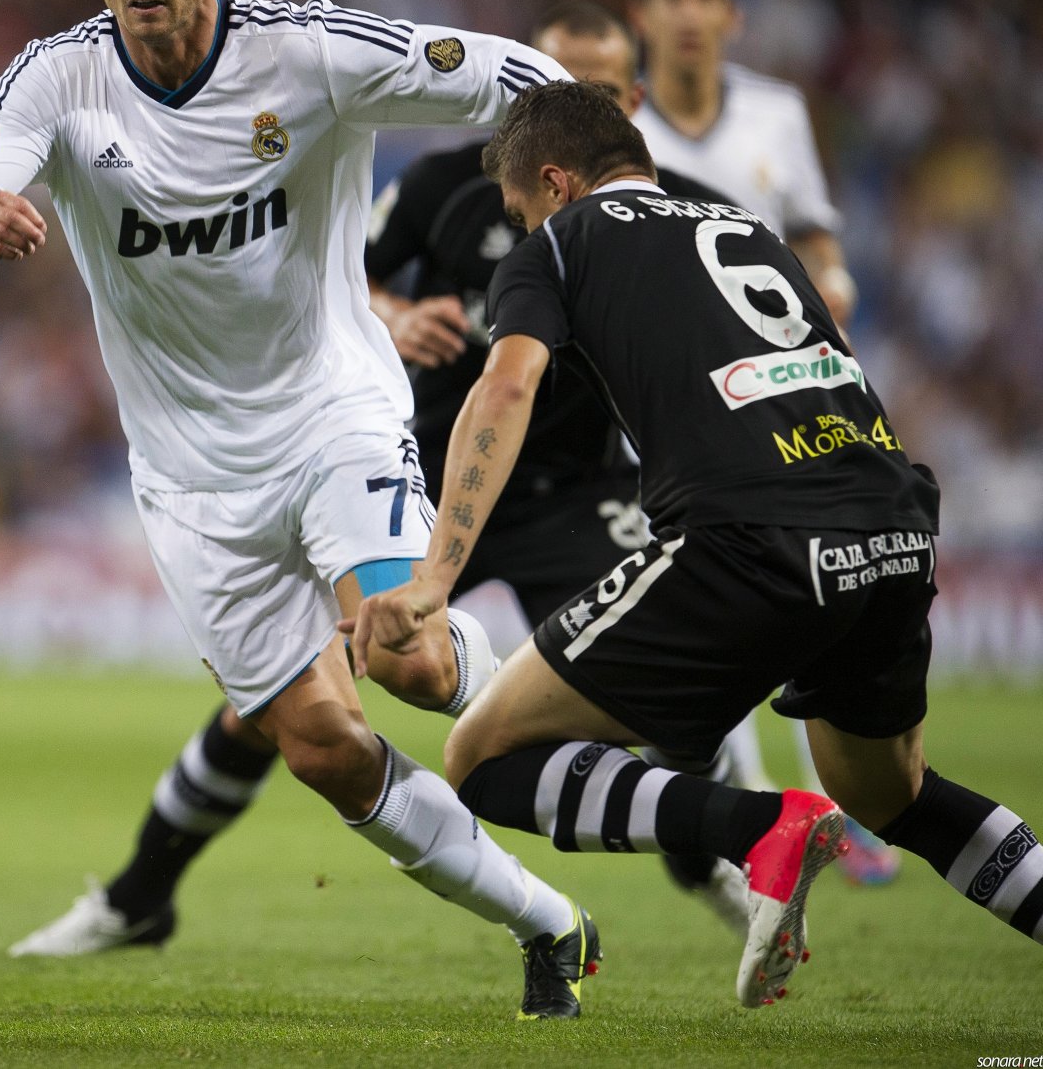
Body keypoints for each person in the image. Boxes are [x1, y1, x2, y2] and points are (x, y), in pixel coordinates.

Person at [0, 0, 600, 1020]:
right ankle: (548, 922)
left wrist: (562, 191)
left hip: (332, 413)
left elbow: (530, 80)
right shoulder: (57, 81)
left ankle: (575, 711)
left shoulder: (312, 53)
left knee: (410, 657)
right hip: (188, 479)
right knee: (322, 746)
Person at [8, 2, 751, 963]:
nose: (562, 108)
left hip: (576, 493)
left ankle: (716, 849)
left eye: (594, 92)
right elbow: (334, 270)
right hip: (443, 463)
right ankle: (138, 893)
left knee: (629, 689)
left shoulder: (676, 214)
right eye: (549, 83)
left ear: (631, 106)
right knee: (295, 708)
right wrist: (395, 314)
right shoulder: (452, 186)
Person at [347, 80, 1042, 1009]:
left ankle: (760, 828)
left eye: (518, 211)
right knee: (895, 795)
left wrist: (435, 578)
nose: (520, 229)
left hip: (750, 540)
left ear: (554, 183)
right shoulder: (747, 227)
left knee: (482, 755)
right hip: (891, 526)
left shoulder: (559, 244)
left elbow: (504, 390)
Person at [630, 0, 896, 882]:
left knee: (803, 596)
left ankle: (839, 805)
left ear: (731, 17)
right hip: (664, 405)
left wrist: (834, 280)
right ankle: (761, 821)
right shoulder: (621, 125)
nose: (689, 11)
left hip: (777, 393)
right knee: (716, 609)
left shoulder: (776, 114)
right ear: (643, 15)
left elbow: (816, 234)